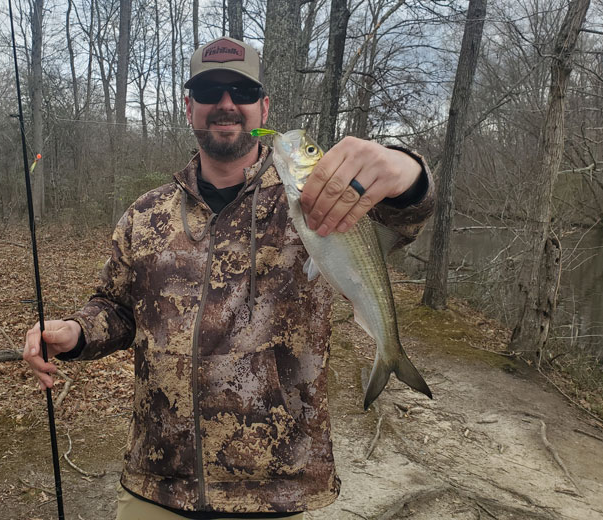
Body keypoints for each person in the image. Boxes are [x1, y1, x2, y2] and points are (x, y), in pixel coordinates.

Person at [23, 36, 435, 519]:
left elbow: (403, 216)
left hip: (275, 489)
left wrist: (407, 169)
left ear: (263, 107)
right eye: (209, 91)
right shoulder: (146, 215)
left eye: (240, 92)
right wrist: (73, 332)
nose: (225, 104)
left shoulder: (320, 202)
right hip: (156, 484)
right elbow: (115, 307)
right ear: (187, 107)